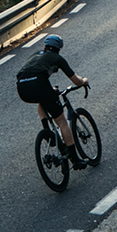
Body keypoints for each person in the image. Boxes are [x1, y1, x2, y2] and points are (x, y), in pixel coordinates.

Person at [16, 34, 90, 169]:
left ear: (44, 46)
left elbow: (34, 74)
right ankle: (75, 160)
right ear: (59, 49)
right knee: (62, 122)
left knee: (42, 100)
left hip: (22, 87)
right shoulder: (57, 58)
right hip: (39, 84)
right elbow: (76, 81)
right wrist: (84, 81)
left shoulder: (35, 55)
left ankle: (47, 133)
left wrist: (50, 91)